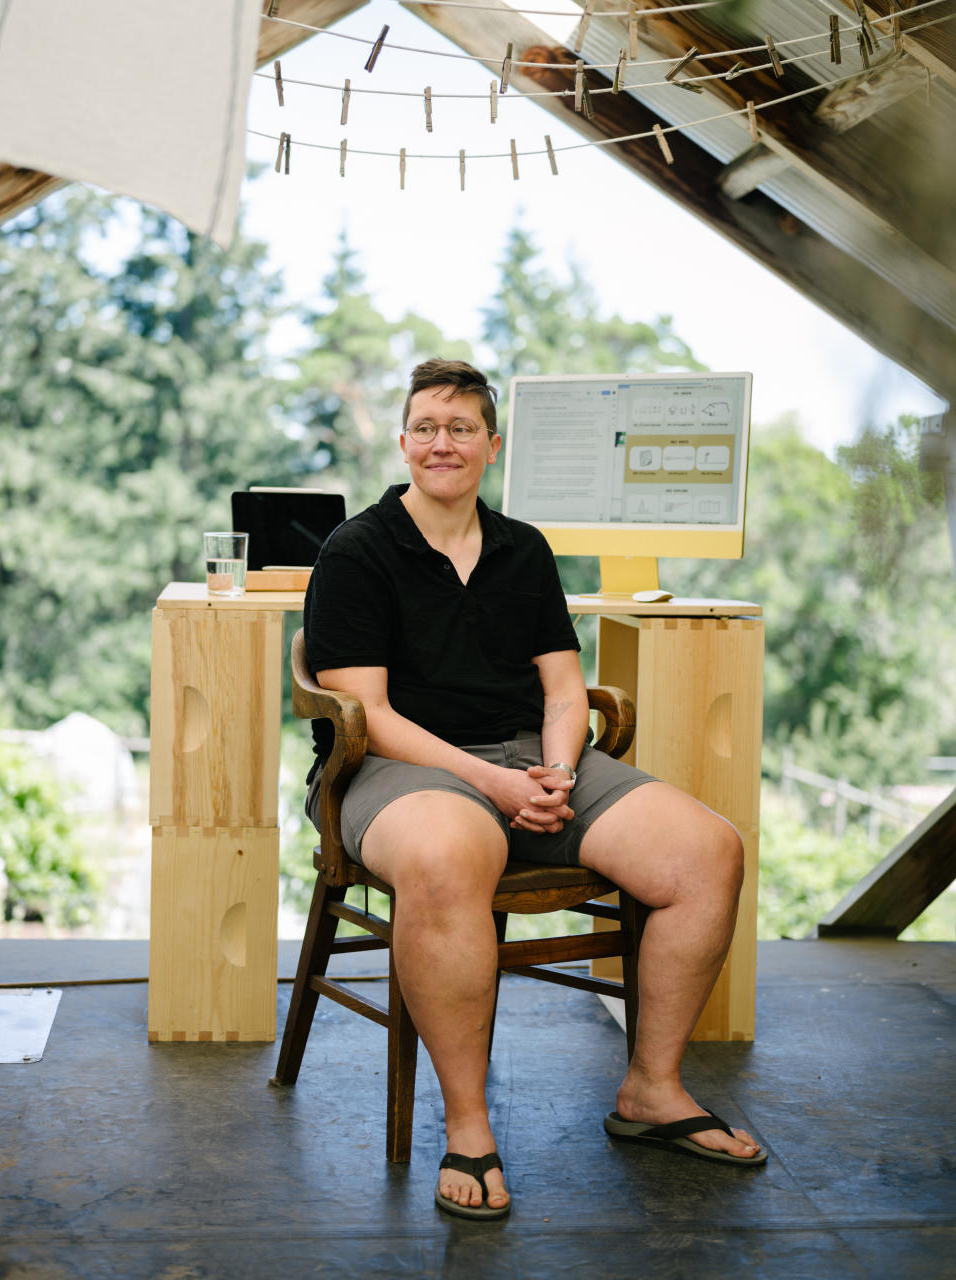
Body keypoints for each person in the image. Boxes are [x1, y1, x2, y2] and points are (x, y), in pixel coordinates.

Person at [303, 358, 767, 1221]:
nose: (444, 443)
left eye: (463, 428)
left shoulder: (524, 547)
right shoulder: (358, 549)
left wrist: (552, 769)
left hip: (525, 757)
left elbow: (563, 686)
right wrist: (489, 780)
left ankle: (653, 1091)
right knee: (450, 855)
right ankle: (471, 1130)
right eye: (428, 428)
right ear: (404, 441)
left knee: (710, 850)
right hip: (395, 770)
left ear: (492, 445)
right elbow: (365, 710)